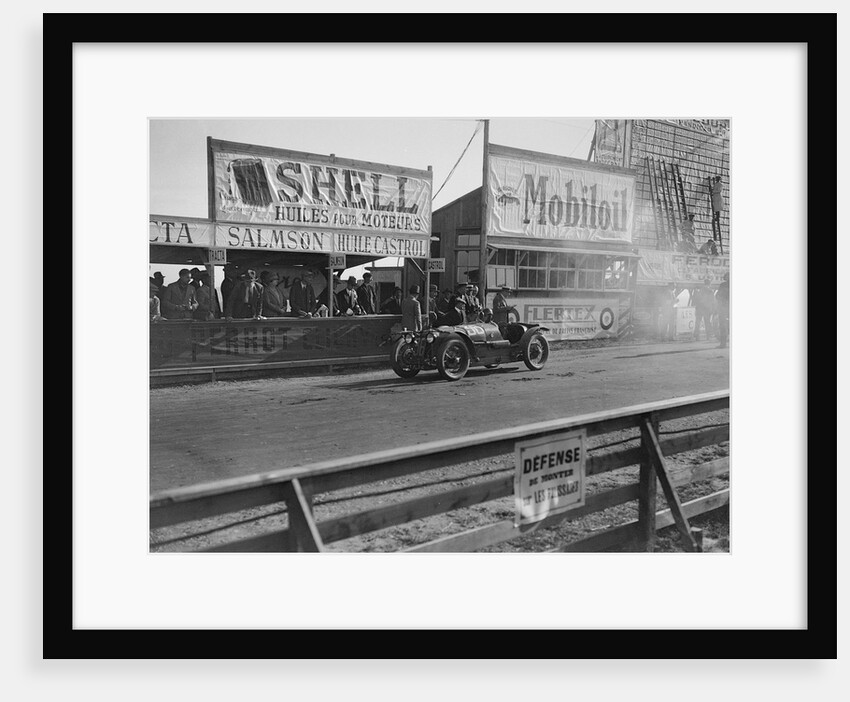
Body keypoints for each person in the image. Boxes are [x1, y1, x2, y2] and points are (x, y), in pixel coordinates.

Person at [716, 272, 730, 348]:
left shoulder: (723, 285)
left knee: (723, 325)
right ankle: (723, 343)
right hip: (725, 307)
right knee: (724, 325)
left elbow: (717, 296)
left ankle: (723, 343)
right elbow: (718, 296)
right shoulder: (723, 285)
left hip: (724, 307)